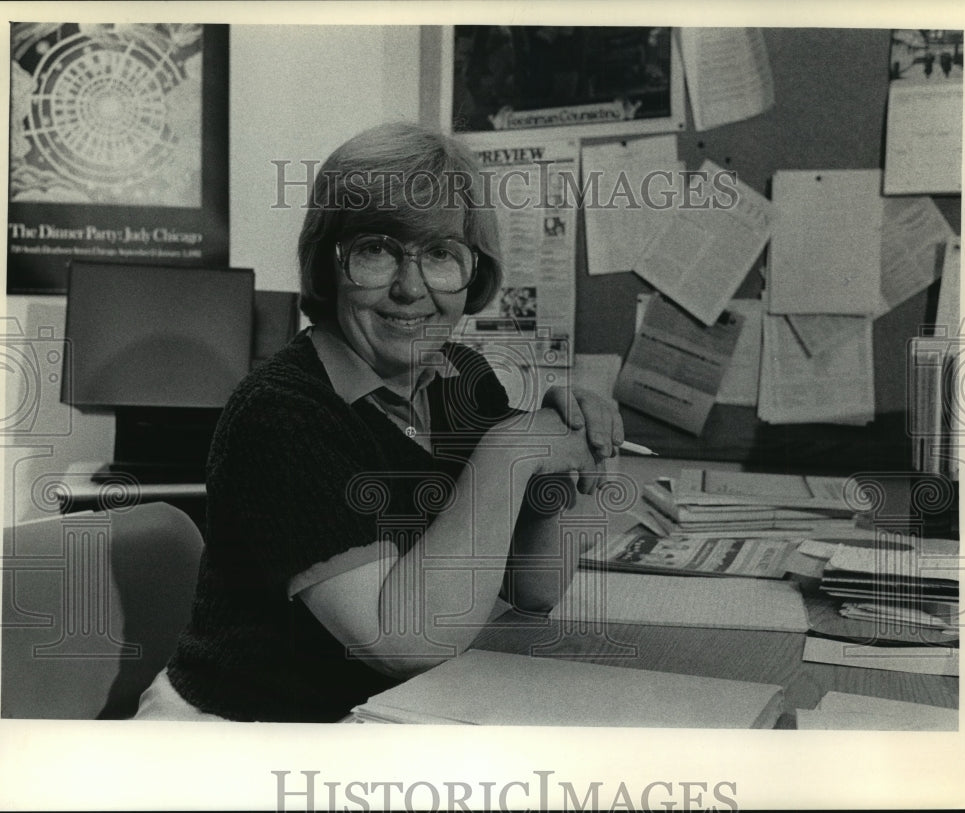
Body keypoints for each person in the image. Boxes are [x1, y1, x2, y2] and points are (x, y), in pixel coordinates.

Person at [135, 122, 624, 722]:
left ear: (474, 272)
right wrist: (509, 454)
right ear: (328, 263)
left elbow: (533, 589)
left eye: (442, 254)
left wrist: (554, 453)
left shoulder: (463, 378)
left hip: (387, 720)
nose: (410, 287)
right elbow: (405, 642)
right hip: (239, 736)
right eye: (376, 251)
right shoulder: (281, 415)